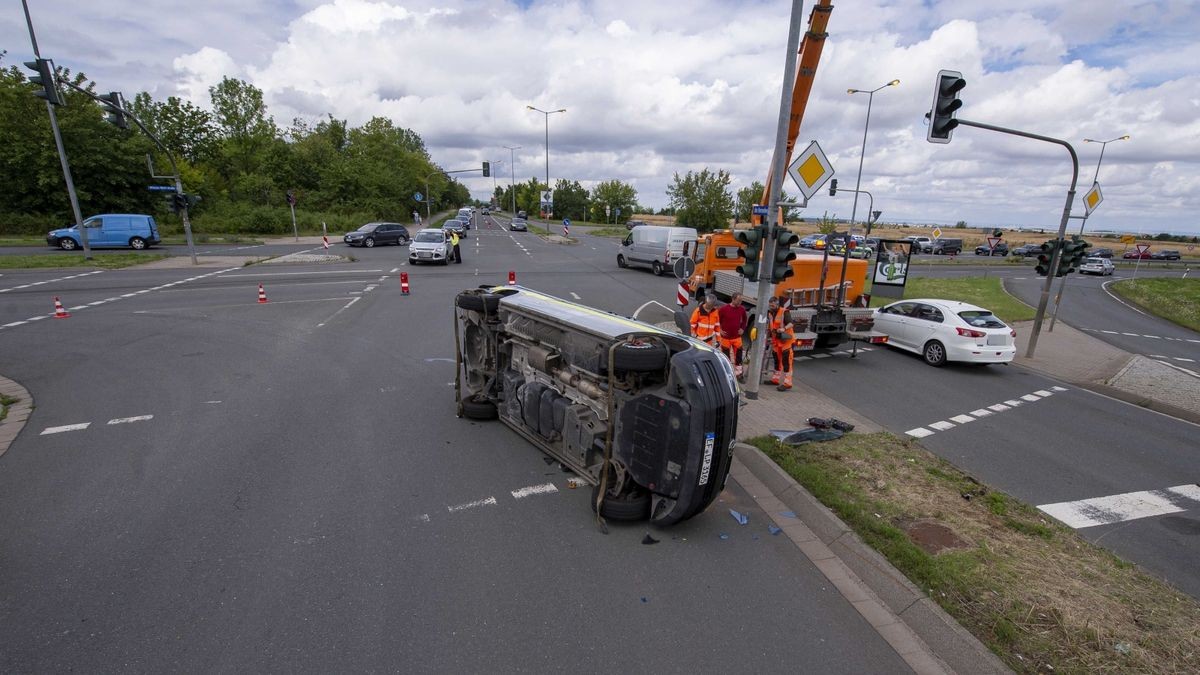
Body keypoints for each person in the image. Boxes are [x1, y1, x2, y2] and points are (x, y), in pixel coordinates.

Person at [717, 292, 749, 379]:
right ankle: (728, 374)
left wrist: (742, 328)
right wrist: (720, 330)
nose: (740, 303)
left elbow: (745, 320)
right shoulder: (723, 309)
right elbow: (717, 320)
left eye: (741, 301)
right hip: (725, 338)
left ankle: (738, 374)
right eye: (738, 301)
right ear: (733, 299)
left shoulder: (742, 309)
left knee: (738, 357)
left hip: (737, 338)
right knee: (726, 357)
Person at [767, 296, 795, 391]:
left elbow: (791, 323)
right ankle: (776, 379)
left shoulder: (784, 311)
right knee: (776, 360)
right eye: (770, 305)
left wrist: (784, 328)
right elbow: (771, 326)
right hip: (777, 340)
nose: (771, 307)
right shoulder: (770, 313)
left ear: (777, 304)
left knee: (786, 361)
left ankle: (787, 383)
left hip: (786, 340)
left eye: (773, 305)